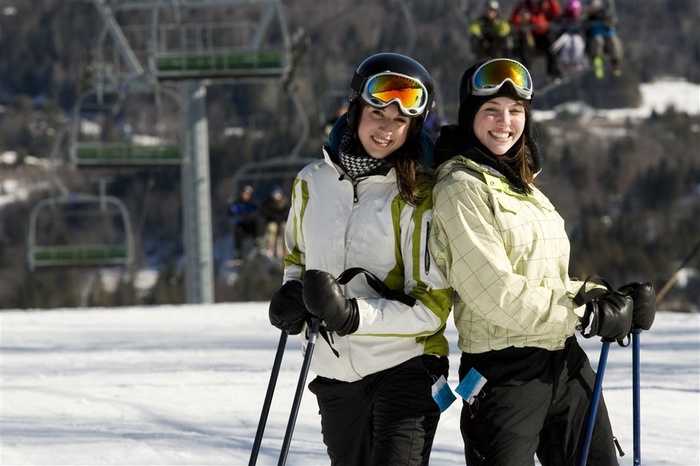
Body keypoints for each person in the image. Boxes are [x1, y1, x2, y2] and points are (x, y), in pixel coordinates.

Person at [428, 58, 656, 464]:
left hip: (565, 363)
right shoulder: (460, 187)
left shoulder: (524, 186)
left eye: (516, 111)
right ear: (469, 117)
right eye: (491, 111)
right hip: (504, 374)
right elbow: (493, 292)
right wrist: (583, 315)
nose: (505, 122)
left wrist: (606, 300)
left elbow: (548, 279)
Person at [268, 52, 452, 466]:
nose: (387, 129)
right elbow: (297, 257)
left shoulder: (417, 195)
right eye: (377, 114)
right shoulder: (311, 182)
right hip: (334, 370)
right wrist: (291, 297)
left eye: (400, 121)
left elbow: (433, 308)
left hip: (407, 366)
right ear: (354, 110)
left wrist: (353, 315)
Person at [510, 0, 563, 81]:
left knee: (552, 47)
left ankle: (553, 72)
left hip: (543, 35)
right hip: (529, 35)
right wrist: (522, 21)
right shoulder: (523, 6)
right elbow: (514, 20)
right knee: (525, 50)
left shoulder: (545, 6)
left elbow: (556, 14)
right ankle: (525, 73)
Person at [584, 0, 623, 78]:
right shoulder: (587, 17)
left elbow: (615, 24)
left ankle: (616, 62)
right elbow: (584, 28)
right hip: (595, 36)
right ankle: (597, 61)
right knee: (597, 41)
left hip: (607, 35)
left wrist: (610, 23)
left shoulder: (606, 13)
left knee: (614, 42)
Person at [227, 185, 258, 264]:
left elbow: (256, 214)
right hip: (241, 226)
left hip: (251, 227)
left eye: (247, 194)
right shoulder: (237, 203)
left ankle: (258, 243)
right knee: (238, 232)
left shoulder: (253, 204)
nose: (245, 196)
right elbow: (231, 211)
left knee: (256, 225)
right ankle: (239, 255)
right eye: (244, 194)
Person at [554, 0, 586, 71]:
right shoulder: (563, 17)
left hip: (576, 35)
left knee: (578, 44)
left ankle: (577, 62)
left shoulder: (581, 18)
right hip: (566, 35)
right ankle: (565, 61)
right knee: (566, 44)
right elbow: (558, 24)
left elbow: (583, 27)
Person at [260, 186, 290, 258]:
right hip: (272, 221)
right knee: (272, 228)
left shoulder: (285, 202)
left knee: (285, 228)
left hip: (282, 221)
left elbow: (288, 212)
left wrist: (281, 218)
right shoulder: (268, 202)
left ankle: (285, 248)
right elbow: (265, 212)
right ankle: (270, 248)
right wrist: (274, 217)